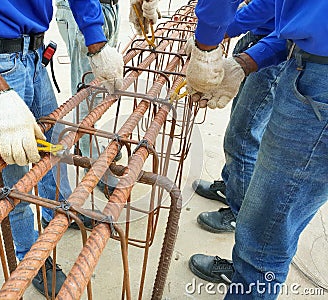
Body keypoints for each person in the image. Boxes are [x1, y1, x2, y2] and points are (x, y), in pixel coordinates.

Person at [0, 0, 124, 297]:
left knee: (52, 145)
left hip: (34, 51)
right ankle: (30, 257)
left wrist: (96, 41)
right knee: (12, 173)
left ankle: (58, 208)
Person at [185, 0, 328, 298]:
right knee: (264, 225)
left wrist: (207, 44)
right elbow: (306, 18)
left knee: (264, 239)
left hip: (319, 82)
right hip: (304, 62)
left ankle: (248, 280)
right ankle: (244, 273)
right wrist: (245, 62)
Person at [54, 0, 159, 196]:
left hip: (106, 8)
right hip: (84, 10)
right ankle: (93, 163)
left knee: (101, 88)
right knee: (88, 94)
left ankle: (85, 145)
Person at [193, 0, 277, 235]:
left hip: (274, 49)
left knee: (242, 137)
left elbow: (268, 5)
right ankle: (231, 186)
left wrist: (217, 33)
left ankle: (238, 214)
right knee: (241, 124)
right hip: (263, 40)